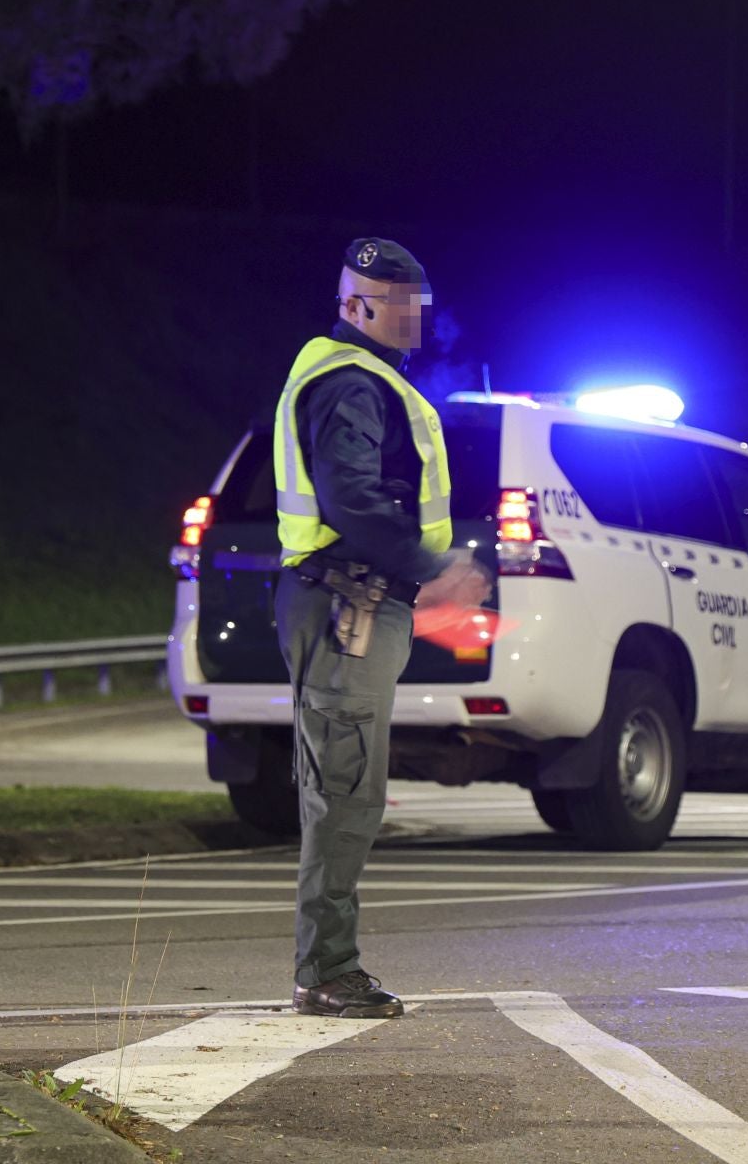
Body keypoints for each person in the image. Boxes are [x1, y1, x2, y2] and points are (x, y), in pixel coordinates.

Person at [273, 237, 490, 1019]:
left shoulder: (356, 378)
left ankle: (325, 966)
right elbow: (352, 500)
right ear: (358, 303)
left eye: (420, 305)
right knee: (346, 794)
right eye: (402, 305)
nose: (416, 319)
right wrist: (432, 567)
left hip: (348, 602)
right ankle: (327, 972)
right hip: (347, 605)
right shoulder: (350, 384)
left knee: (340, 789)